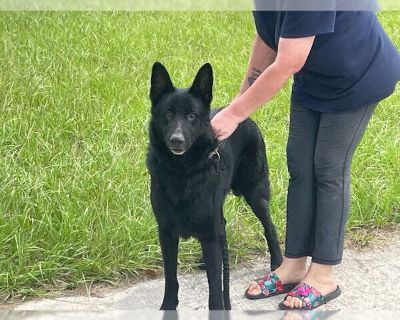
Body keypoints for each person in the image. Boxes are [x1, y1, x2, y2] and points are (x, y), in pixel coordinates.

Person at [211, 10, 400, 310]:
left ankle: (323, 275)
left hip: (358, 75)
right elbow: (268, 34)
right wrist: (239, 99)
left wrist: (235, 114)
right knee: (299, 164)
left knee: (328, 167)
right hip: (314, 77)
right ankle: (293, 264)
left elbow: (287, 62)